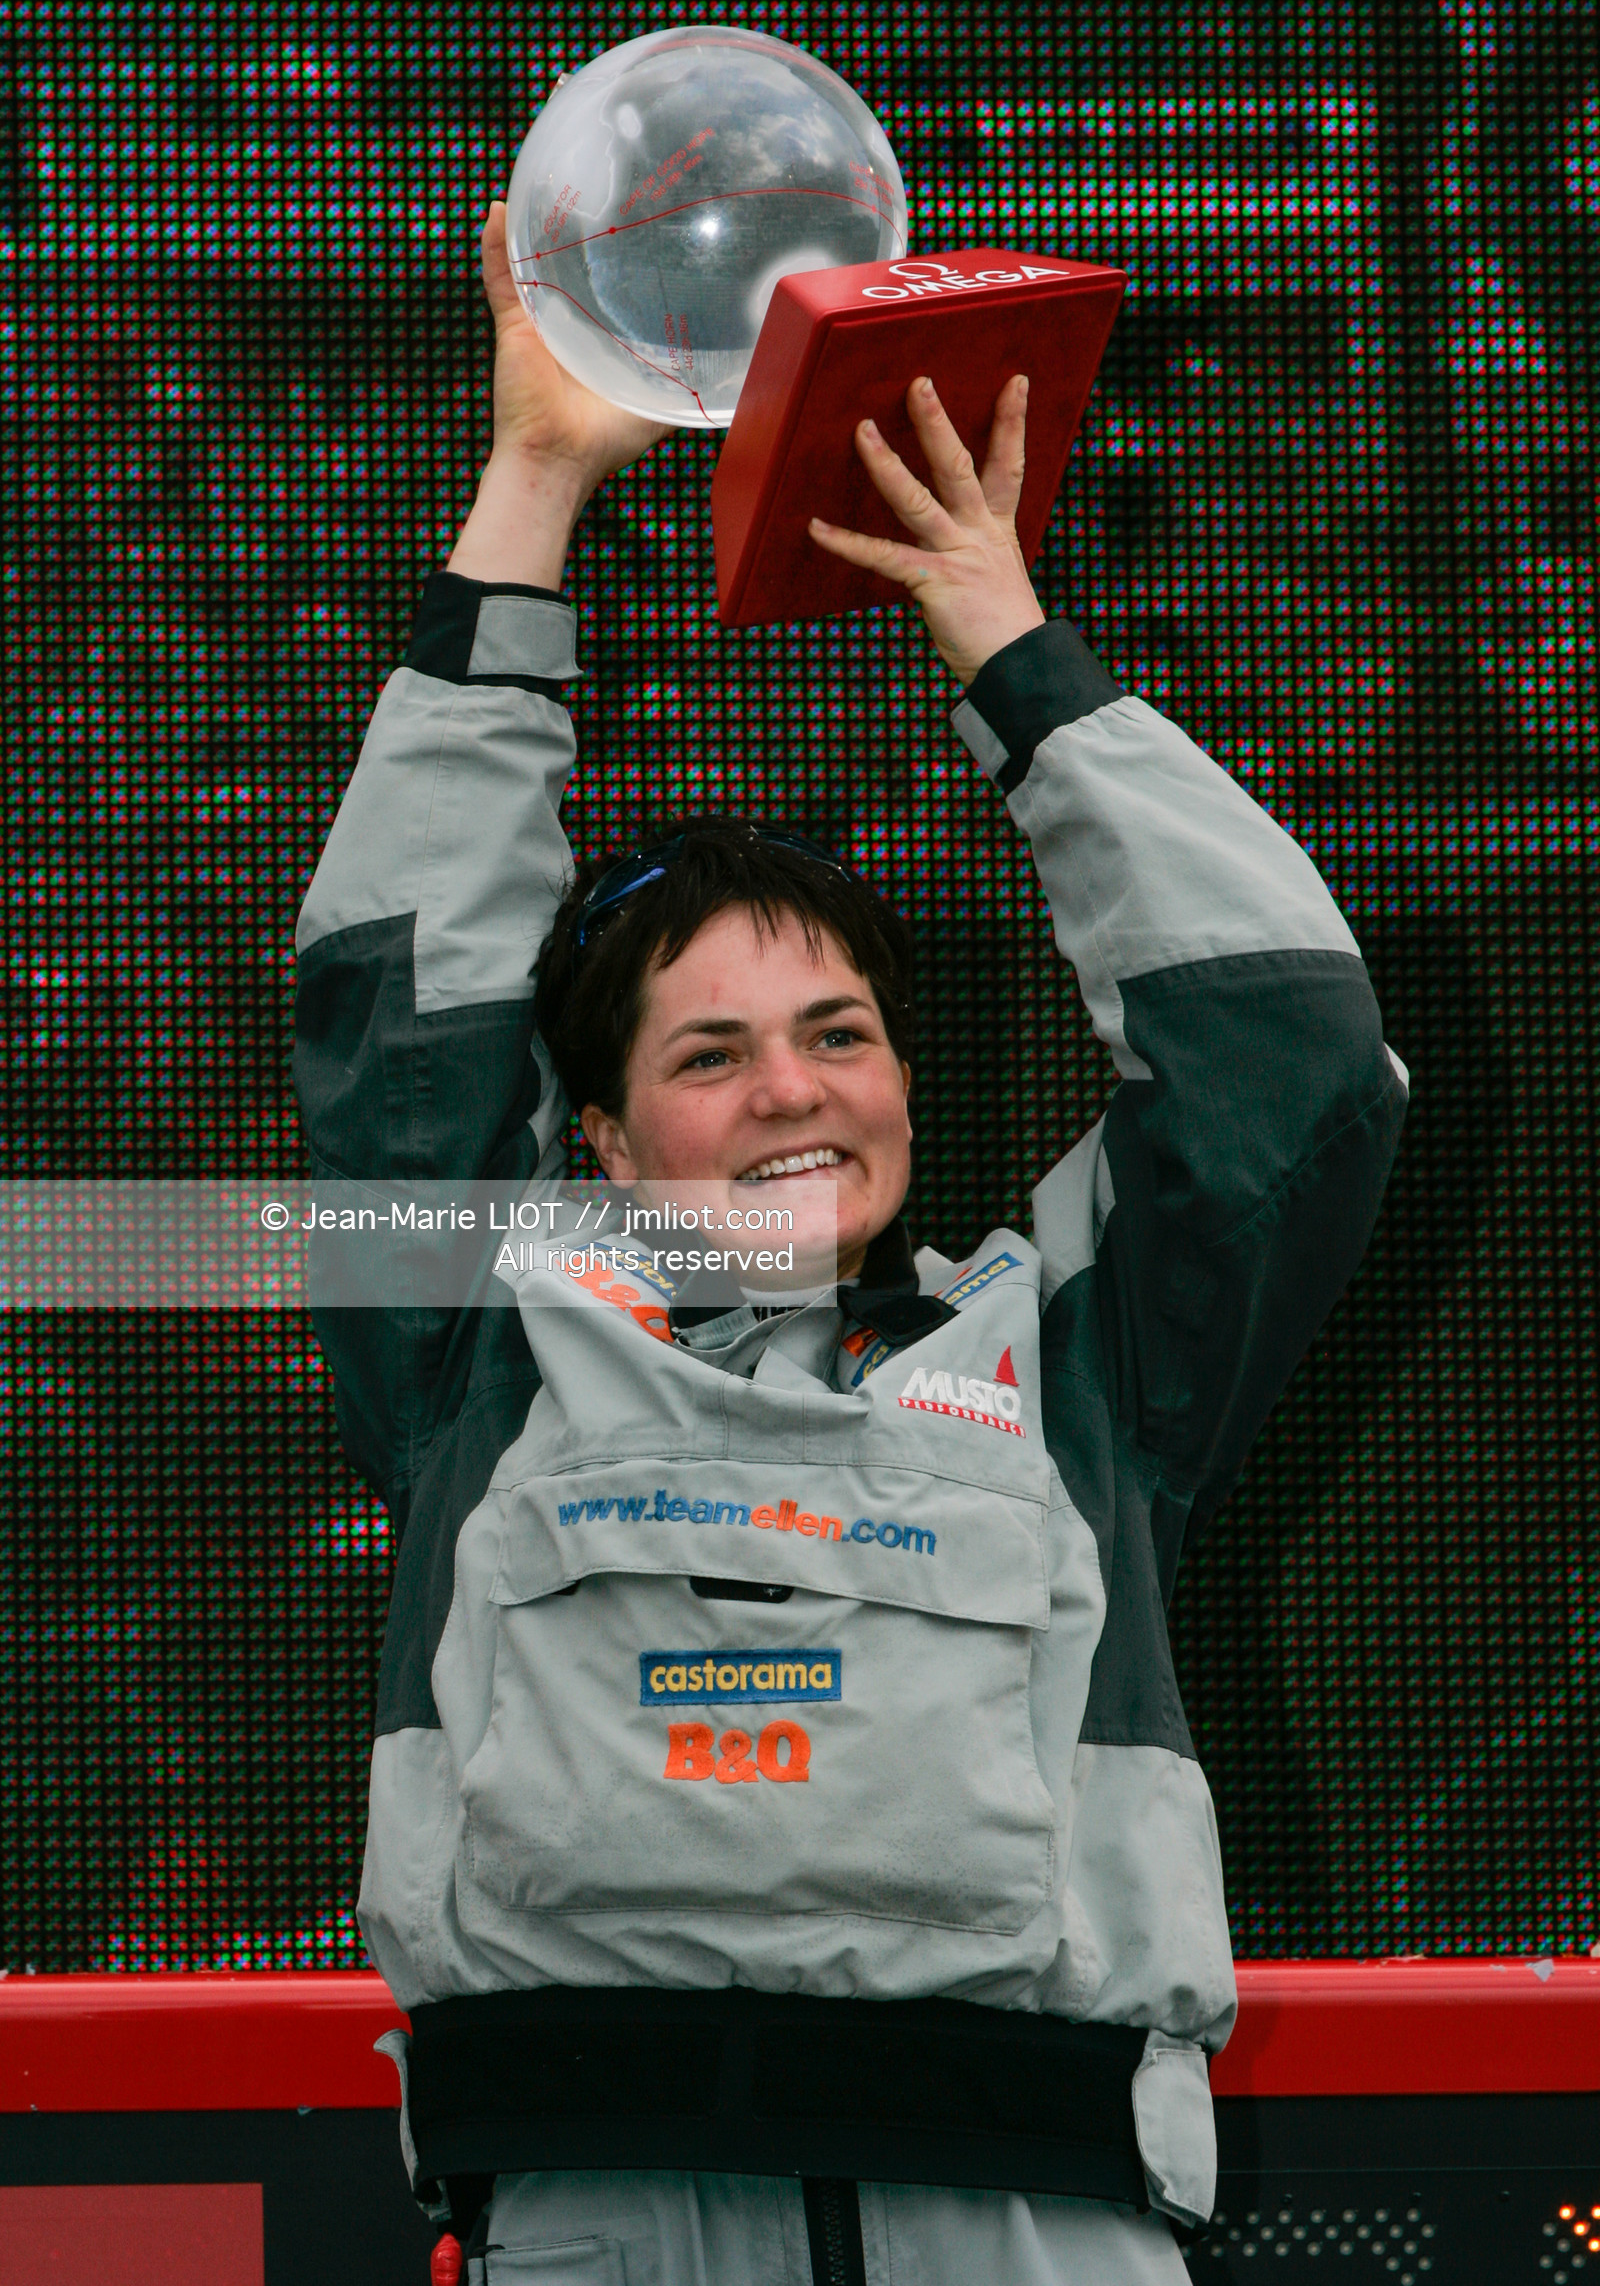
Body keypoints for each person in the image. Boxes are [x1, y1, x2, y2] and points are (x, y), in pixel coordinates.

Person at [295, 202, 1407, 2286]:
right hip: (592, 2219)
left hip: (1033, 2224)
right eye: (711, 1054)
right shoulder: (480, 1357)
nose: (796, 1091)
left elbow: (1286, 1056)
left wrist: (1002, 639)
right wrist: (532, 479)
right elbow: (397, 1006)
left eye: (839, 1033)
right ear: (601, 1139)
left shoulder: (1073, 1352)